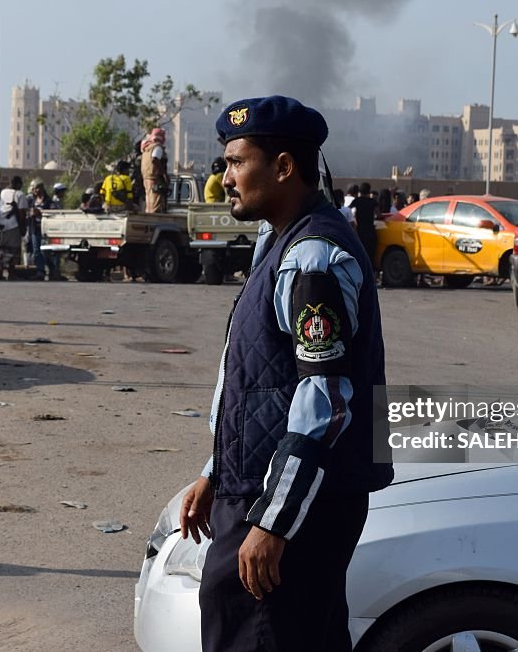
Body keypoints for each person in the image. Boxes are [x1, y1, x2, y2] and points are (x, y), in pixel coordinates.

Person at [179, 95, 393, 652]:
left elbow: (325, 399)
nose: (226, 178)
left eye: (236, 162)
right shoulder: (279, 242)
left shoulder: (313, 257)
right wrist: (216, 470)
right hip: (257, 491)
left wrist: (274, 522)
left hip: (288, 509)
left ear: (283, 167)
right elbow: (261, 383)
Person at [0, 175, 28, 280]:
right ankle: (11, 273)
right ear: (18, 184)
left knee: (2, 250)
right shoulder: (20, 194)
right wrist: (23, 228)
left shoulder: (3, 192)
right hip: (14, 225)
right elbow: (22, 213)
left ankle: (0, 272)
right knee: (13, 251)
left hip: (3, 225)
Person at [28, 180, 60, 280]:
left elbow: (52, 213)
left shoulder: (48, 201)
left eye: (36, 188)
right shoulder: (32, 201)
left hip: (45, 230)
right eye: (33, 189)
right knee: (36, 251)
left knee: (46, 252)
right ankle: (40, 271)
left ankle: (53, 270)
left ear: (41, 188)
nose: (35, 191)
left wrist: (40, 213)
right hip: (35, 228)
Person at [141, 127, 169, 213]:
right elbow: (155, 159)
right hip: (154, 177)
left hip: (147, 177)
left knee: (149, 200)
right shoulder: (157, 147)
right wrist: (164, 174)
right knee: (155, 201)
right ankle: (153, 220)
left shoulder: (147, 147)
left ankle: (149, 216)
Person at [352, 182, 380, 266]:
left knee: (360, 253)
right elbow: (378, 214)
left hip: (359, 231)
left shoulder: (356, 201)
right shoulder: (372, 201)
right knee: (370, 254)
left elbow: (351, 212)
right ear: (369, 191)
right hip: (370, 230)